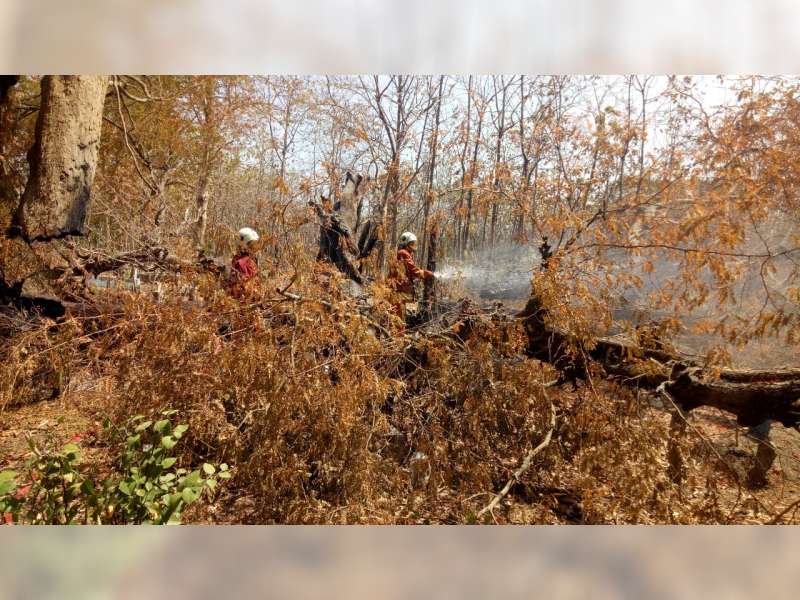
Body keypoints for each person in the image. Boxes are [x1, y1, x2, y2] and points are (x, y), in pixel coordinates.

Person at [387, 231, 434, 329]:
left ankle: (410, 333)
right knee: (400, 318)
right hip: (400, 291)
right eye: (412, 244)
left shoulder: (405, 253)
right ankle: (400, 338)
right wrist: (427, 273)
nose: (414, 246)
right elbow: (414, 271)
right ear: (406, 244)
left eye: (414, 244)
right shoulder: (403, 253)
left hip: (404, 290)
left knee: (410, 315)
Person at [228, 227, 260, 299]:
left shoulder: (239, 258)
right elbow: (247, 287)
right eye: (252, 245)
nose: (255, 248)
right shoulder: (243, 262)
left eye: (255, 244)